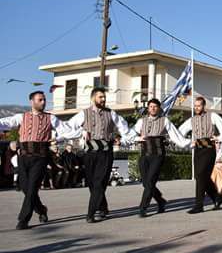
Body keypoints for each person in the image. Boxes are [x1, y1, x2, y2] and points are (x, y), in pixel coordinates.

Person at [0, 91, 81, 229]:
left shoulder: (51, 118)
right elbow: (4, 123)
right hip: (23, 157)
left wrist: (78, 132)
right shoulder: (21, 117)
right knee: (26, 189)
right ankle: (42, 209)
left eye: (44, 100)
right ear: (32, 101)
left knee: (32, 189)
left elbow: (66, 130)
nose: (43, 102)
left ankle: (23, 220)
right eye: (40, 100)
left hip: (40, 157)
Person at [67, 87, 132, 223]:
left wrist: (124, 137)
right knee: (92, 183)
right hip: (89, 153)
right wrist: (80, 132)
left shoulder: (111, 114)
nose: (103, 99)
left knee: (99, 182)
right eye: (100, 97)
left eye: (104, 97)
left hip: (105, 152)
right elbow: (68, 126)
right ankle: (103, 207)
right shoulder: (83, 114)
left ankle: (91, 213)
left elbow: (124, 127)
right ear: (93, 98)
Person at [128, 98, 188, 217]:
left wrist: (187, 143)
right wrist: (138, 138)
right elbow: (130, 134)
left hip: (158, 154)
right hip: (144, 155)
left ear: (159, 108)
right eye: (151, 106)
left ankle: (143, 208)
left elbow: (176, 136)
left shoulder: (164, 121)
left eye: (155, 107)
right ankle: (160, 201)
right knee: (146, 183)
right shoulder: (141, 121)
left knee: (150, 181)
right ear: (148, 108)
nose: (153, 108)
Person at [179, 96, 222, 214]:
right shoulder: (191, 120)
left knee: (201, 175)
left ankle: (199, 205)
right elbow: (180, 131)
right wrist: (187, 142)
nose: (197, 108)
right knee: (200, 176)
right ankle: (217, 198)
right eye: (195, 106)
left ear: (204, 105)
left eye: (199, 105)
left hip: (209, 149)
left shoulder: (212, 116)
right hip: (197, 149)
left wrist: (219, 138)